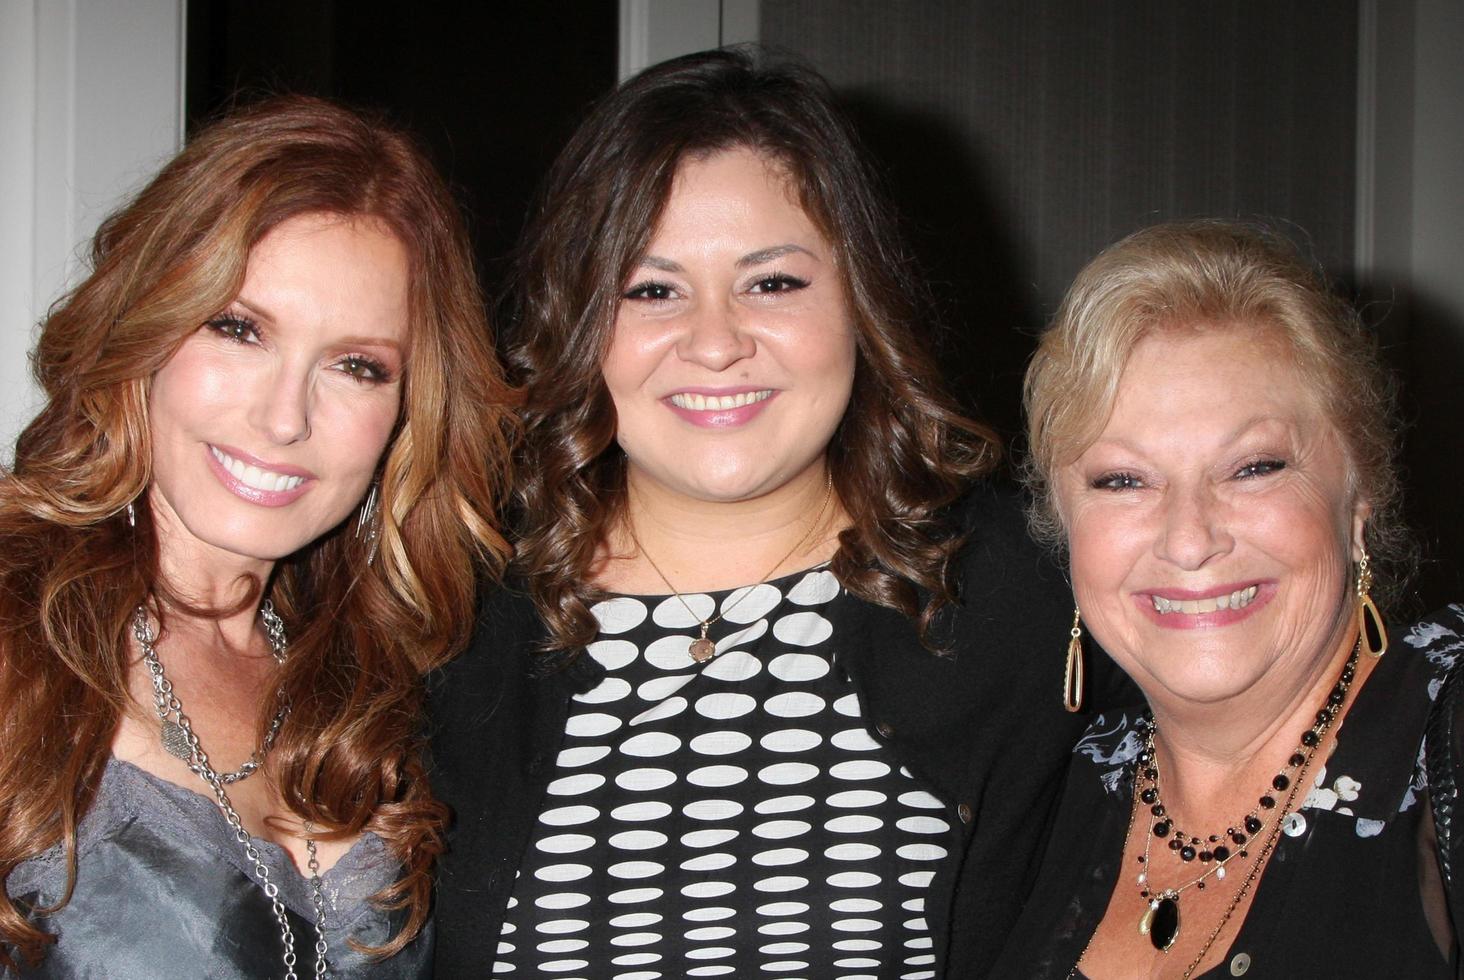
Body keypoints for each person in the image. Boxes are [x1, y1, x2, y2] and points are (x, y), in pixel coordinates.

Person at [429, 48, 1127, 979]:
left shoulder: (1024, 590)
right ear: (577, 321)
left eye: (773, 282)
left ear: (861, 302)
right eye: (651, 290)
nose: (715, 342)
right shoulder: (451, 626)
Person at [0, 96, 514, 976]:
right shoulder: (19, 635)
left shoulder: (389, 685)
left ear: (408, 412)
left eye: (356, 366)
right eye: (239, 329)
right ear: (145, 330)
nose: (284, 418)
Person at [993, 220, 1464, 977]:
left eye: (1253, 467)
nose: (1189, 540)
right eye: (1123, 480)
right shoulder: (1052, 792)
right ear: (1065, 530)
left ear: (1358, 502)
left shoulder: (1449, 738)